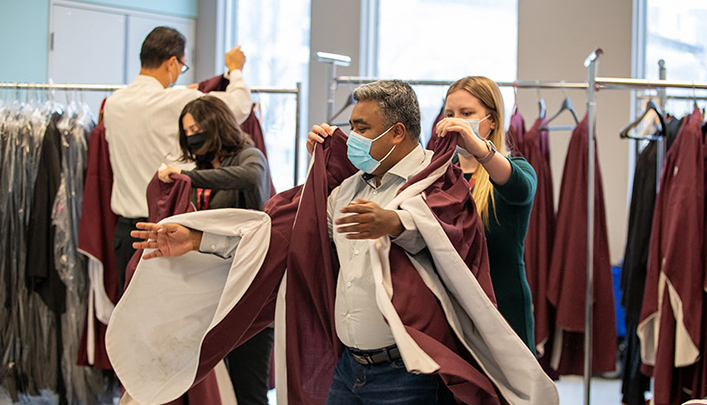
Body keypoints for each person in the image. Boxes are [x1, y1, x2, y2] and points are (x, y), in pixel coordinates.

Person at [127, 80, 556, 404]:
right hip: (350, 369)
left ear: (396, 134)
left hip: (409, 374)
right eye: (349, 126)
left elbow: (447, 231)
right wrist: (199, 238)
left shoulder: (440, 180)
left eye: (360, 127)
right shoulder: (348, 190)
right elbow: (276, 236)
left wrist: (396, 223)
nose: (349, 136)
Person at [103, 26, 252, 297]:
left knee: (132, 321)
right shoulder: (179, 99)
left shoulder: (113, 103)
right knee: (171, 322)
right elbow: (240, 106)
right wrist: (235, 70)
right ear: (172, 62)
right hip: (168, 229)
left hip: (126, 233)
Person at [157, 95, 273, 405]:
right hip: (210, 294)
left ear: (216, 124)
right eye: (187, 131)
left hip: (249, 293)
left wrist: (187, 177)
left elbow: (251, 177)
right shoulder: (202, 168)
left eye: (197, 127)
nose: (192, 136)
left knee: (248, 388)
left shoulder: (250, 157)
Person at [435, 76, 538, 353]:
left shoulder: (516, 168)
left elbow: (520, 189)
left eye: (467, 114)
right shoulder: (440, 173)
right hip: (453, 309)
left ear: (491, 120)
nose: (456, 121)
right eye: (450, 114)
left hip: (504, 308)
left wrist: (480, 150)